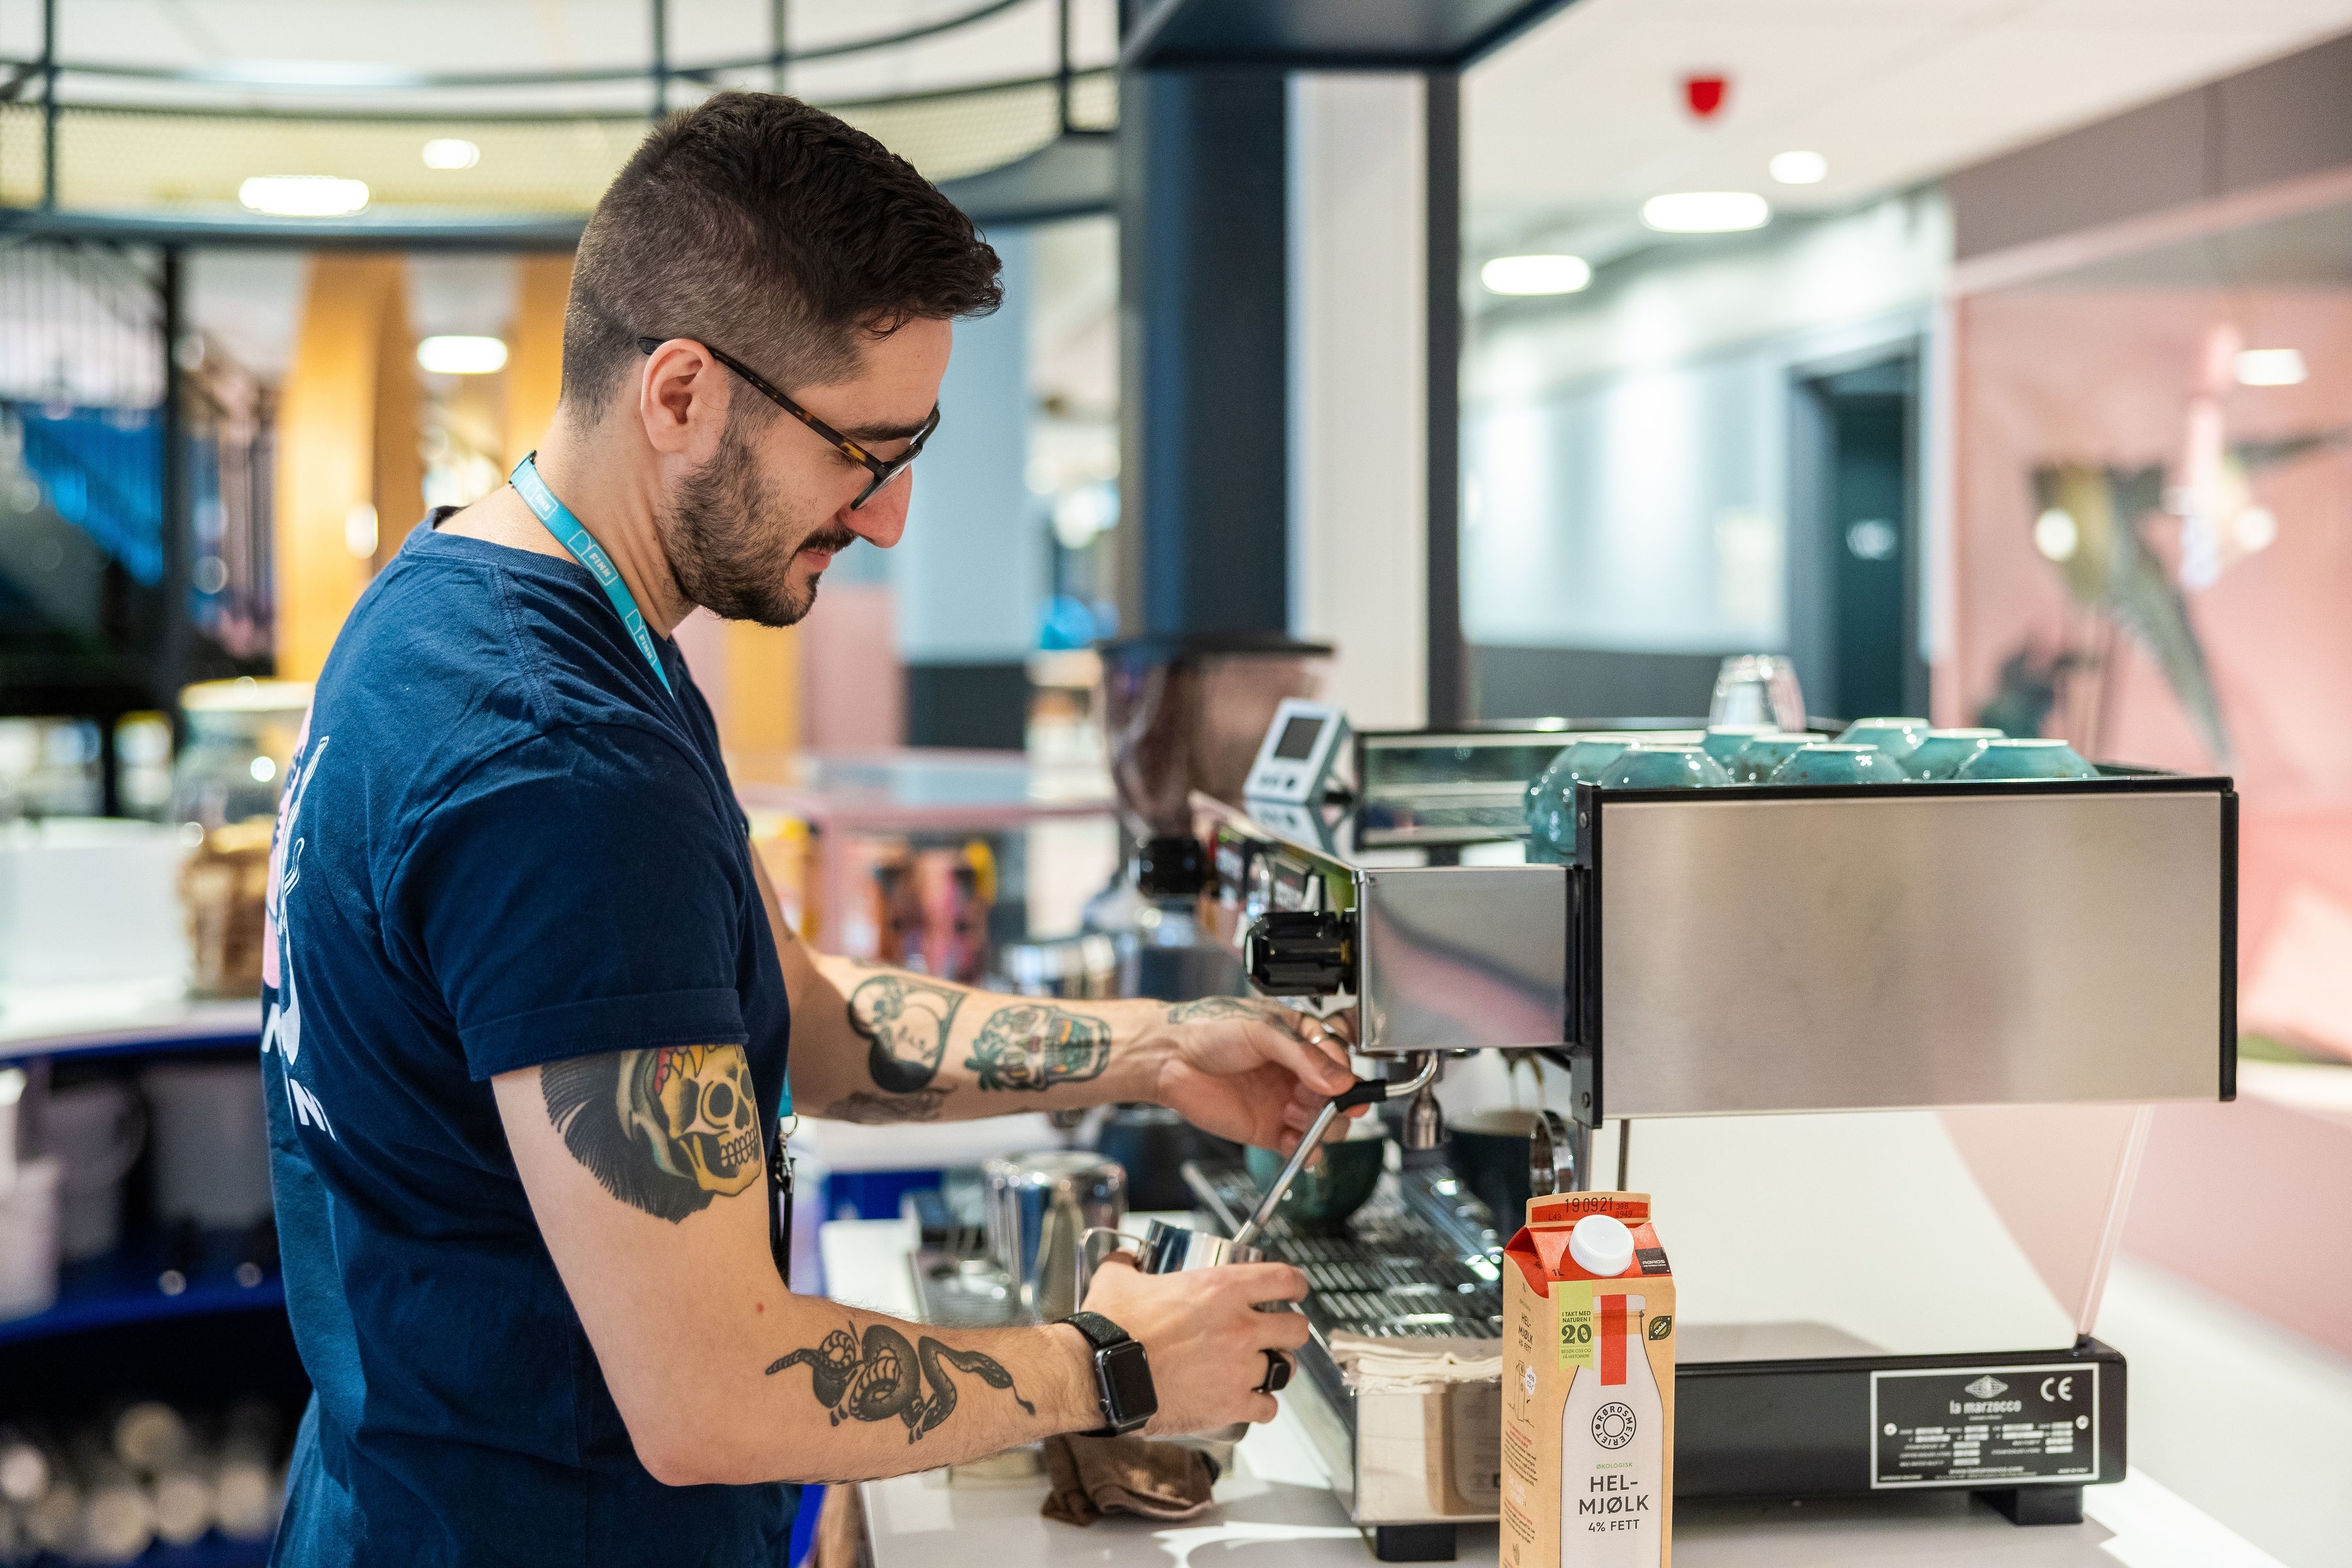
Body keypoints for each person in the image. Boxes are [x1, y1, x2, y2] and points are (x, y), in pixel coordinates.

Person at [259, 91, 1358, 1567]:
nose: (892, 516)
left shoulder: (492, 607)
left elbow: (790, 1012)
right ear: (682, 394)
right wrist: (1109, 1362)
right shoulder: (561, 764)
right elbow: (711, 1393)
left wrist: (1157, 1051)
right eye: (862, 449)